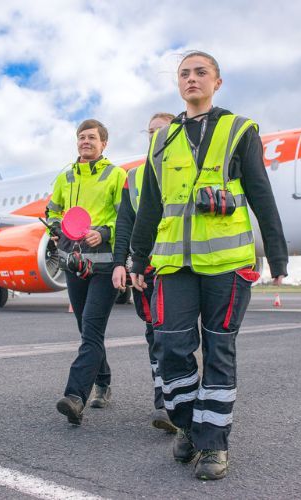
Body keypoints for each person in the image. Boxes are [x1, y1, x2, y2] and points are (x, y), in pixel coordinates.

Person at [129, 52, 288, 480]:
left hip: (226, 263)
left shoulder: (239, 130)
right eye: (184, 74)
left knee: (219, 351)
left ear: (217, 82)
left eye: (201, 72)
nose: (191, 79)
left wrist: (277, 254)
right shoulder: (161, 140)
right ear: (178, 85)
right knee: (171, 348)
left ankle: (214, 445)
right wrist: (137, 259)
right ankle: (188, 423)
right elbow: (149, 206)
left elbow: (261, 194)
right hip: (173, 264)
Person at [47, 119, 126, 425]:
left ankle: (75, 395)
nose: (85, 141)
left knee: (91, 330)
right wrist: (57, 228)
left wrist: (104, 233)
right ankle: (104, 382)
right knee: (86, 330)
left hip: (104, 265)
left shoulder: (116, 175)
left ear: (103, 144)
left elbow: (126, 218)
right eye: (81, 137)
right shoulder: (65, 176)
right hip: (73, 263)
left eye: (92, 137)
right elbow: (52, 211)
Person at [111, 112, 178, 434]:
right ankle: (164, 400)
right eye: (150, 132)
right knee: (156, 336)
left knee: (178, 338)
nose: (154, 137)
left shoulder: (188, 170)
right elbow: (125, 223)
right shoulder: (134, 176)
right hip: (148, 271)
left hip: (181, 268)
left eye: (161, 131)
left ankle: (179, 399)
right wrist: (126, 262)